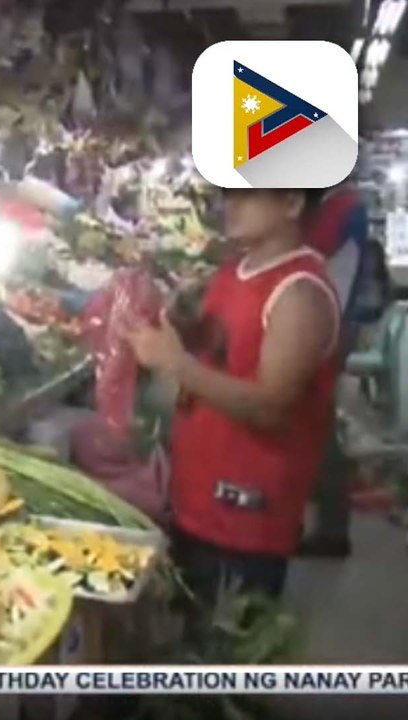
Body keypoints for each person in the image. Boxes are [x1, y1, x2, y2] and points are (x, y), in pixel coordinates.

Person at [126, 188, 340, 609]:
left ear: (292, 203)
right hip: (194, 498)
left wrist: (177, 365)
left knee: (226, 650)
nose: (231, 205)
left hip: (246, 517)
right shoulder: (234, 271)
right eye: (229, 194)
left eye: (247, 195)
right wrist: (178, 325)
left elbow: (271, 408)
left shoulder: (300, 293)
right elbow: (223, 352)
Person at [297, 179, 382, 558]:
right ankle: (315, 518)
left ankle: (332, 529)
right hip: (326, 322)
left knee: (315, 423)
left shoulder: (342, 209)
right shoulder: (337, 204)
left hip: (324, 328)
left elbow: (307, 254)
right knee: (310, 422)